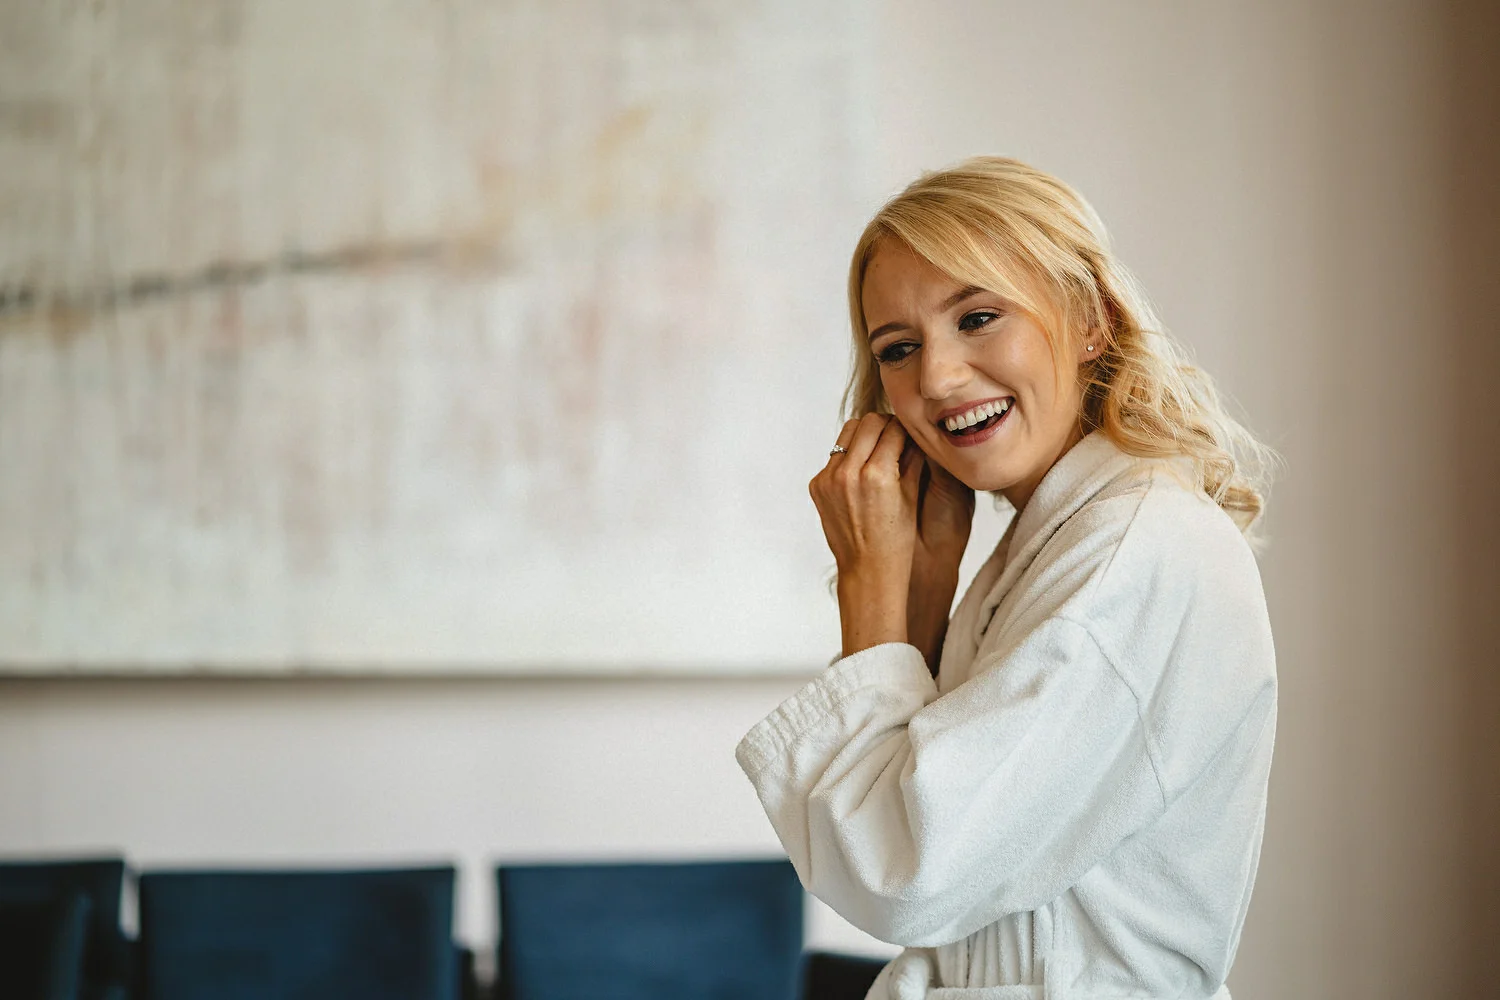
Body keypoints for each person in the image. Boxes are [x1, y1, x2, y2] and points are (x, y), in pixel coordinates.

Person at [735, 156, 1278, 1000]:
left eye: (979, 317)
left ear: (1090, 317)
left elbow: (902, 871)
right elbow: (912, 824)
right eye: (900, 349)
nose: (939, 379)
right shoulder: (1042, 552)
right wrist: (924, 587)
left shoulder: (1134, 550)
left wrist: (869, 583)